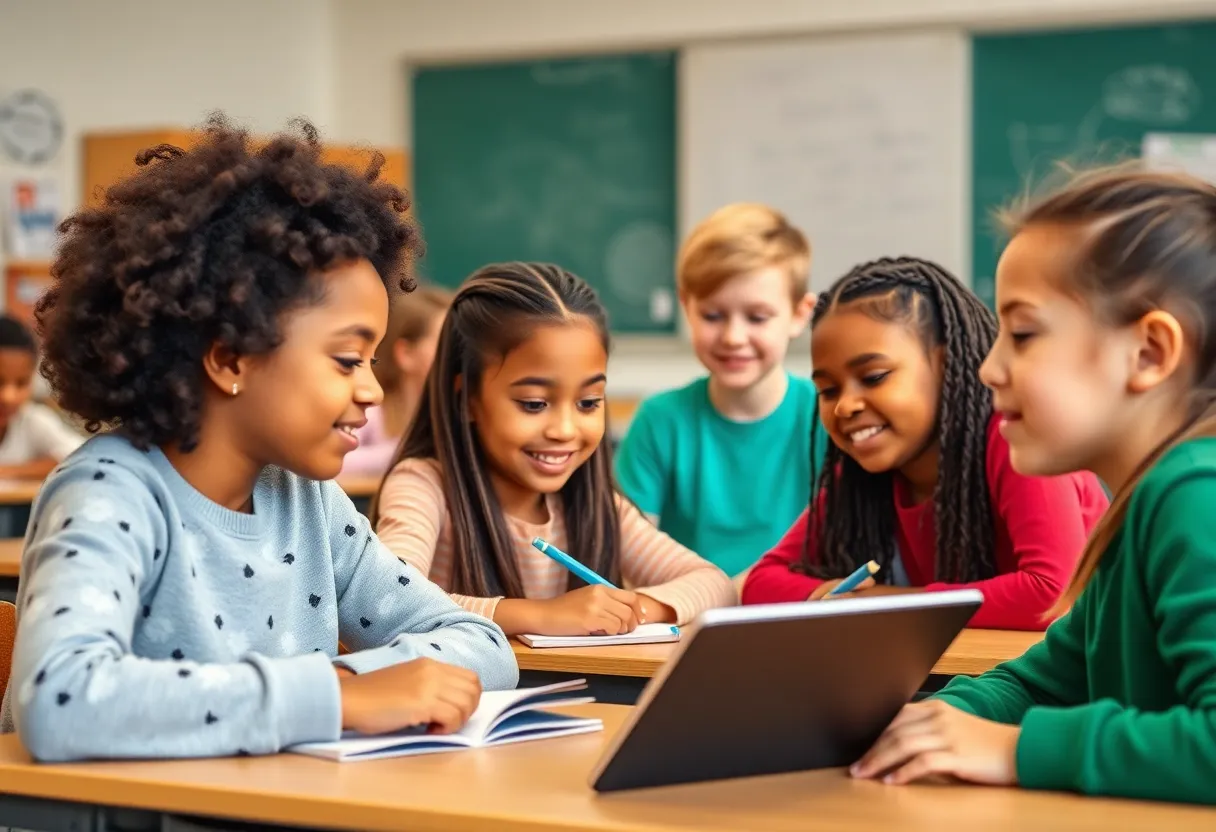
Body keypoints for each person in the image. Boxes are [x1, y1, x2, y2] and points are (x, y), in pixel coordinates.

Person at [1, 116, 517, 763]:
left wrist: (359, 684)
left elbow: (478, 643)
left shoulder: (307, 500)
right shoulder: (111, 491)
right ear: (231, 359)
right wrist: (331, 698)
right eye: (346, 360)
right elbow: (61, 701)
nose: (372, 391)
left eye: (374, 361)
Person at [852, 166, 1216, 804]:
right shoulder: (1139, 505)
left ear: (1151, 352)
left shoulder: (1194, 493)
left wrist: (1018, 749)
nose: (989, 367)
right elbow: (1043, 682)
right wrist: (919, 722)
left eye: (1022, 334)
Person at [742, 257, 1108, 631]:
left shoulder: (1015, 438)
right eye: (828, 390)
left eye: (873, 377)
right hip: (976, 677)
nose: (845, 405)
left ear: (946, 366)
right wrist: (829, 594)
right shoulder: (861, 473)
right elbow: (761, 583)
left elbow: (1051, 593)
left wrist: (877, 603)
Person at [374, 262, 736, 636]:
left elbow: (716, 585)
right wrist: (541, 616)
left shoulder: (597, 506)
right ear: (465, 398)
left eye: (588, 403)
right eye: (533, 404)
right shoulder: (424, 485)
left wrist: (630, 610)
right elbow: (390, 599)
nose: (565, 430)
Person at [615, 204, 825, 579]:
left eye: (757, 317)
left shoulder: (825, 418)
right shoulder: (659, 420)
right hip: (691, 620)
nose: (733, 337)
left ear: (799, 314)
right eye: (713, 315)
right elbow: (626, 559)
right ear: (686, 306)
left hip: (797, 615)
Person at [340, 284, 451, 476]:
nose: (457, 356)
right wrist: (404, 451)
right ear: (406, 353)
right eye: (444, 344)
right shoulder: (371, 408)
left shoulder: (454, 413)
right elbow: (339, 460)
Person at [0, 315, 83, 479]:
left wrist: (7, 472)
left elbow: (80, 457)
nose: (8, 397)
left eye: (21, 383)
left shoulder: (32, 421)